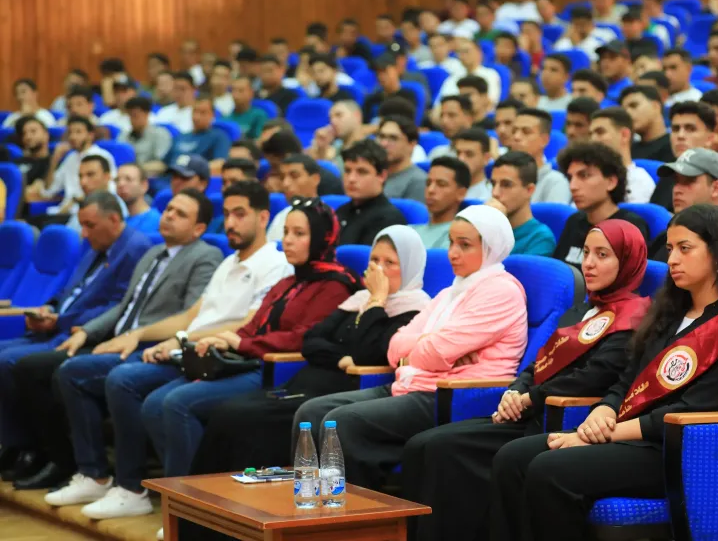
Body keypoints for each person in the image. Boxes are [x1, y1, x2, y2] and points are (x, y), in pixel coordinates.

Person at [492, 203, 718, 540]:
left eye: (685, 248)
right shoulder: (671, 312)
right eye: (670, 248)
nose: (672, 259)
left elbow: (692, 411)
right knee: (512, 457)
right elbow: (628, 379)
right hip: (629, 435)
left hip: (680, 451)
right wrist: (605, 409)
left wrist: (601, 434)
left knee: (549, 470)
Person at [41, 183, 288, 518]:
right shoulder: (229, 261)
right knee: (107, 378)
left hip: (227, 358)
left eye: (239, 214)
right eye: (227, 214)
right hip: (193, 350)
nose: (230, 222)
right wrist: (142, 334)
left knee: (130, 384)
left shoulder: (275, 264)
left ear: (262, 218)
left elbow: (249, 323)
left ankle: (154, 494)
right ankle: (139, 488)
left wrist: (181, 339)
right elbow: (190, 315)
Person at [404, 219, 651, 541]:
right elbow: (539, 362)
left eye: (602, 255)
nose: (588, 263)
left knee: (446, 450)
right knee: (423, 445)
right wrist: (517, 388)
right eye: (587, 252)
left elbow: (594, 377)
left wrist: (530, 397)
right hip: (532, 410)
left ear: (628, 262)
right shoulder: (582, 310)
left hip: (564, 417)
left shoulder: (634, 317)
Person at [188, 225, 430, 511]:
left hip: (345, 390)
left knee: (242, 418)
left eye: (390, 263)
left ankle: (251, 511)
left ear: (410, 268)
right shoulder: (357, 300)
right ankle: (205, 513)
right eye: (374, 260)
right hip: (306, 382)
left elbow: (370, 353)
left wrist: (377, 301)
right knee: (227, 411)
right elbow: (312, 341)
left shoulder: (414, 309)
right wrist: (341, 357)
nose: (378, 270)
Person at [293, 204, 528, 491]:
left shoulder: (501, 291)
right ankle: (308, 502)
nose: (452, 253)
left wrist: (423, 350)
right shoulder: (451, 291)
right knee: (311, 412)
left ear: (490, 248)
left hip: (453, 394)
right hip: (414, 383)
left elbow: (436, 351)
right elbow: (396, 346)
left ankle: (354, 512)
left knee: (342, 422)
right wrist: (428, 350)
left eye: (464, 245)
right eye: (451, 242)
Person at [135, 198, 359, 496]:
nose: (288, 241)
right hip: (246, 359)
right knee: (154, 405)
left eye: (299, 234)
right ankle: (182, 492)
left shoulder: (335, 285)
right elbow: (254, 326)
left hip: (276, 369)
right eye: (286, 232)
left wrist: (243, 343)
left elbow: (303, 338)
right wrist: (224, 339)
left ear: (320, 238)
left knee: (178, 404)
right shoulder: (288, 282)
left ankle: (191, 497)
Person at [9, 189, 221, 491]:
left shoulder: (205, 256)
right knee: (54, 369)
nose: (169, 215)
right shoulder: (153, 253)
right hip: (120, 339)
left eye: (180, 214)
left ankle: (95, 473)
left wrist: (136, 336)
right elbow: (123, 306)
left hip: (151, 346)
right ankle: (73, 464)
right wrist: (87, 331)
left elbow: (189, 316)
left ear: (199, 228)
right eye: (169, 209)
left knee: (71, 373)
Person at [0, 192, 151, 486]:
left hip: (89, 336)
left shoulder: (135, 249)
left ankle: (46, 453)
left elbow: (118, 308)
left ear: (114, 219)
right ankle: (16, 444)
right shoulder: (95, 245)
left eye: (89, 225)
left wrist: (62, 320)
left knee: (14, 363)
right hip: (60, 326)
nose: (83, 233)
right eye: (82, 225)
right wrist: (50, 308)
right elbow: (71, 289)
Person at [554, 143, 650, 267]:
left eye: (584, 176)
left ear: (611, 182)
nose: (573, 186)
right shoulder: (573, 221)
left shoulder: (629, 227)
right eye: (570, 178)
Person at [648, 148, 718, 261]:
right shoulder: (665, 238)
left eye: (689, 181)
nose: (677, 189)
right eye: (676, 181)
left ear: (716, 188)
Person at [32, 116, 116, 221]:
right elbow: (50, 190)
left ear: (90, 135)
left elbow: (110, 189)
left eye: (78, 132)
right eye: (70, 133)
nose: (72, 137)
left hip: (88, 211)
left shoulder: (102, 156)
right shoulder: (70, 158)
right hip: (63, 211)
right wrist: (55, 160)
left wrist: (77, 201)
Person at [335, 139, 407, 245]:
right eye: (347, 171)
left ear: (382, 176)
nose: (351, 179)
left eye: (361, 172)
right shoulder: (340, 211)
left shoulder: (390, 220)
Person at [488, 152, 556, 256]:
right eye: (493, 184)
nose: (495, 193)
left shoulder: (540, 238)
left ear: (529, 190)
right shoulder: (485, 228)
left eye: (506, 185)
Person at [589, 108, 655, 203]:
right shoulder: (587, 179)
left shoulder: (639, 181)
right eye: (590, 134)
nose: (593, 140)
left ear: (624, 135)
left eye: (600, 132)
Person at [511, 109, 570, 204]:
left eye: (526, 132)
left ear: (544, 140)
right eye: (514, 131)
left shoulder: (555, 182)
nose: (516, 137)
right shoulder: (502, 178)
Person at [412, 157, 470, 248]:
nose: (431, 190)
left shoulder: (460, 238)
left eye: (441, 184)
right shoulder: (410, 230)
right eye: (428, 183)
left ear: (461, 193)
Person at [267, 153, 323, 242]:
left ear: (315, 179)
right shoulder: (281, 216)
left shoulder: (327, 218)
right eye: (282, 177)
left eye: (294, 176)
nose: (285, 183)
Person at [435, 38, 502, 106]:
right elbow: (439, 104)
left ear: (479, 53)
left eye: (466, 51)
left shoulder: (490, 74)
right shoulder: (453, 77)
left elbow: (491, 103)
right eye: (459, 52)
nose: (462, 55)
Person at [118, 97, 173, 177]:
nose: (131, 120)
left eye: (135, 116)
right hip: (127, 175)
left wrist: (136, 170)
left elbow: (162, 164)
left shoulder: (160, 134)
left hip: (150, 176)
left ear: (147, 114)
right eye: (129, 116)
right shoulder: (123, 135)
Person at [379, 116, 427, 203]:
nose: (384, 143)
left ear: (412, 144)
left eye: (393, 138)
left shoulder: (418, 181)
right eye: (382, 137)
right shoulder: (372, 175)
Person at [621, 85, 674, 163]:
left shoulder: (675, 145)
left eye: (634, 105)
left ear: (656, 106)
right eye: (624, 110)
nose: (628, 113)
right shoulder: (628, 151)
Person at [169, 97, 232, 164]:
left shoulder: (219, 137)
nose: (197, 117)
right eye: (195, 111)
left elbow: (220, 163)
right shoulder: (179, 137)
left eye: (203, 113)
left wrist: (200, 168)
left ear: (212, 115)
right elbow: (164, 162)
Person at [206, 159, 260, 234]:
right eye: (224, 182)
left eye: (234, 182)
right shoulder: (215, 224)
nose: (227, 187)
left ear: (253, 183)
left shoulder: (263, 223)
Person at [308, 100, 367, 166]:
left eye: (339, 115)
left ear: (357, 116)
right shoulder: (335, 148)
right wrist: (321, 149)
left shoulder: (371, 148)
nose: (333, 121)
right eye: (330, 118)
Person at [362, 55, 419, 123]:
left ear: (396, 69)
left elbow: (408, 124)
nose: (380, 76)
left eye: (384, 71)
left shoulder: (407, 96)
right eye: (378, 72)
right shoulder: (371, 99)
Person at [116, 164, 161, 233]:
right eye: (117, 180)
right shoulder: (120, 222)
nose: (120, 184)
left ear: (144, 185)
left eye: (128, 179)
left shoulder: (156, 222)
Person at [429, 95, 475, 160]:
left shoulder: (485, 151)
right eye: (441, 116)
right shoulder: (437, 154)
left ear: (469, 118)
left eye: (451, 115)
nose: (444, 121)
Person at [13, 116, 52, 189]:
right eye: (24, 133)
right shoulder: (16, 162)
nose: (28, 137)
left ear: (46, 135)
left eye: (33, 131)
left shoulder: (52, 163)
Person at [227, 76, 268, 140]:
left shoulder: (258, 116)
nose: (236, 95)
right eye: (233, 90)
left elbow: (259, 140)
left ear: (251, 93)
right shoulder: (225, 117)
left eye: (241, 91)